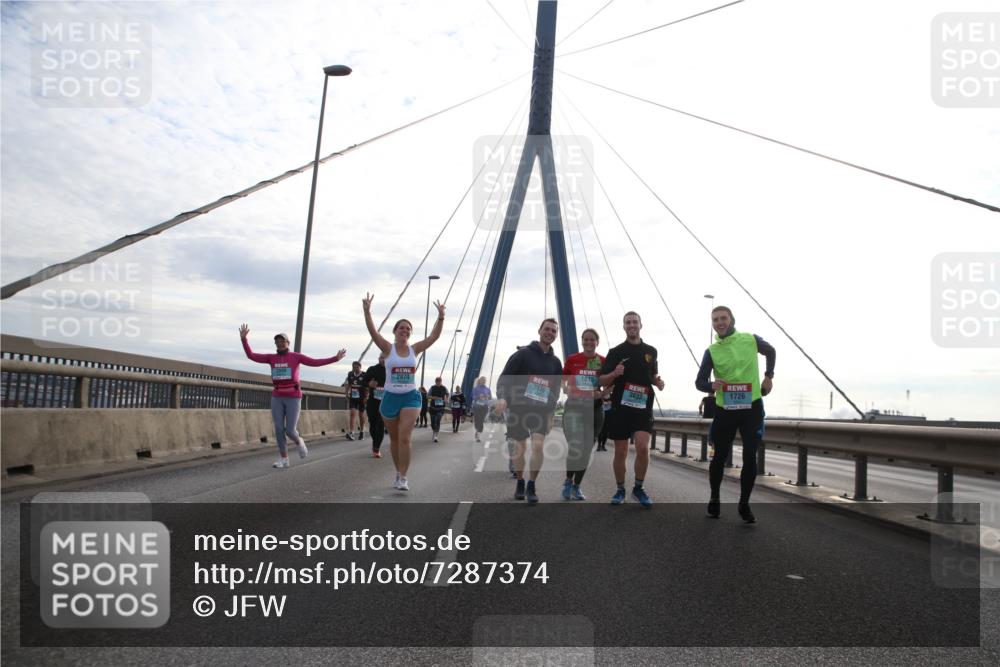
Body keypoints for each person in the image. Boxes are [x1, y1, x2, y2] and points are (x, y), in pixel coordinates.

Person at [695, 305, 775, 523]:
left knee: (750, 456)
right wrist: (711, 385)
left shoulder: (750, 339)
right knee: (719, 458)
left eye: (723, 318)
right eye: (715, 320)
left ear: (731, 320)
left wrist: (769, 376)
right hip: (725, 410)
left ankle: (744, 504)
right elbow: (699, 382)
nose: (719, 322)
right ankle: (714, 499)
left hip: (752, 408)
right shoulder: (711, 351)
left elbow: (771, 351)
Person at [363, 292, 444, 491]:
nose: (404, 331)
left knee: (405, 437)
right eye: (401, 327)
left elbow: (434, 336)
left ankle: (404, 477)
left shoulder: (414, 349)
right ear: (395, 331)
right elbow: (373, 332)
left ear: (410, 333)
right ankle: (398, 472)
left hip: (410, 397)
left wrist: (440, 316)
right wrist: (367, 311)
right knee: (394, 439)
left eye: (408, 329)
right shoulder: (387, 348)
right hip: (390, 397)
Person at [239, 325, 346, 469]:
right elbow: (251, 356)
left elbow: (315, 362)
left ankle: (299, 441)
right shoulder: (271, 358)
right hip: (277, 396)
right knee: (278, 428)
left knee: (289, 430)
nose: (279, 343)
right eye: (277, 341)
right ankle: (284, 459)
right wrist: (244, 340)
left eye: (282, 341)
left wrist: (335, 358)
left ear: (288, 343)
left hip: (293, 397)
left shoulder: (296, 357)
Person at [599, 312, 665, 507]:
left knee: (643, 448)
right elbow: (601, 380)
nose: (632, 325)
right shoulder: (616, 351)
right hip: (621, 406)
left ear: (641, 325)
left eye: (635, 322)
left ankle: (639, 488)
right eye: (628, 322)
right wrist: (614, 373)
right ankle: (620, 489)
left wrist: (658, 381)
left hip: (643, 406)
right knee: (621, 452)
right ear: (624, 326)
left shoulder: (651, 351)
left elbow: (652, 375)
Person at [495, 319, 563, 503]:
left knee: (538, 445)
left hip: (541, 411)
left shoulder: (556, 363)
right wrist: (502, 397)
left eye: (553, 331)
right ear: (539, 330)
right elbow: (504, 379)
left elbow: (555, 390)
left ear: (556, 335)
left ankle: (532, 484)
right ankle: (520, 480)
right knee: (519, 448)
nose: (550, 333)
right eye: (547, 329)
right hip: (518, 408)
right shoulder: (522, 354)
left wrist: (550, 413)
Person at [560, 328, 605, 501]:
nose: (588, 342)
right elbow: (563, 381)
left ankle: (577, 486)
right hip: (574, 407)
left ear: (597, 342)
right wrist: (566, 388)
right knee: (575, 447)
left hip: (594, 409)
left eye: (592, 340)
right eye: (585, 339)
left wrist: (604, 393)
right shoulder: (573, 359)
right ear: (582, 341)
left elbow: (611, 381)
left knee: (586, 450)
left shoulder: (602, 361)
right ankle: (567, 481)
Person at [363, 353, 387, 458]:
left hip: (386, 402)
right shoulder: (372, 369)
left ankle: (377, 448)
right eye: (382, 358)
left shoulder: (391, 371)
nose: (383, 360)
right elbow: (363, 381)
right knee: (372, 424)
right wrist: (369, 384)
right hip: (373, 401)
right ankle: (375, 442)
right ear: (379, 358)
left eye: (386, 358)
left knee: (381, 424)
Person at [343, 361, 367, 441]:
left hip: (362, 397)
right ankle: (351, 432)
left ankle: (362, 431)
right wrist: (346, 393)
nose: (355, 369)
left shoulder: (364, 375)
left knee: (361, 415)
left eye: (357, 367)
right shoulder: (350, 374)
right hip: (353, 397)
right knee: (352, 413)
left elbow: (367, 387)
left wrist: (366, 397)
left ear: (360, 367)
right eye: (354, 367)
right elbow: (348, 384)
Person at [470, 376, 492, 443]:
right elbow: (473, 397)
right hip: (477, 407)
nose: (484, 381)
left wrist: (487, 397)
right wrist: (479, 396)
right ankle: (477, 430)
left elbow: (490, 397)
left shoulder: (487, 389)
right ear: (479, 381)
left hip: (484, 407)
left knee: (481, 421)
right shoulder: (475, 389)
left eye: (485, 380)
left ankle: (478, 434)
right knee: (477, 421)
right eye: (482, 380)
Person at [428, 377, 449, 443]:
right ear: (435, 381)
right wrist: (434, 397)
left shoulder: (444, 388)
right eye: (437, 381)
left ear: (441, 381)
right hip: (433, 407)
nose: (438, 382)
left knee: (438, 420)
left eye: (439, 381)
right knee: (433, 423)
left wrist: (447, 399)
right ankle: (434, 432)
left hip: (441, 407)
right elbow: (427, 396)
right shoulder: (432, 388)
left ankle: (436, 436)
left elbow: (448, 394)